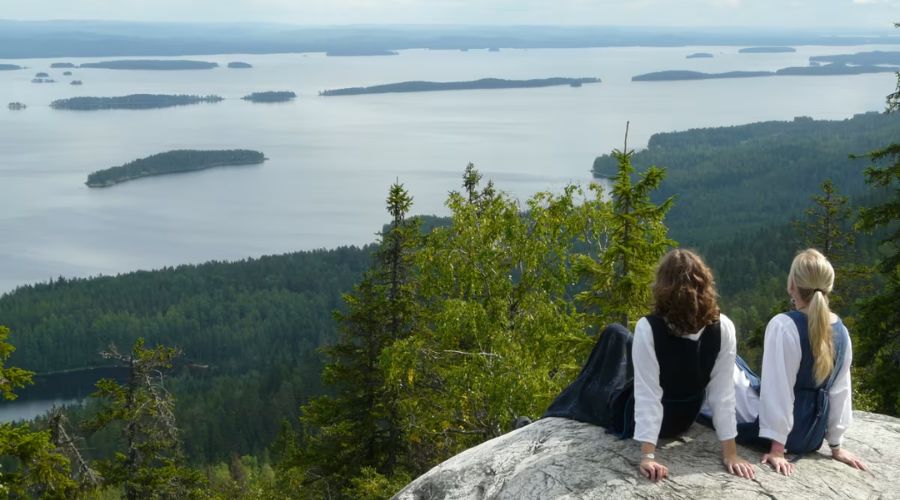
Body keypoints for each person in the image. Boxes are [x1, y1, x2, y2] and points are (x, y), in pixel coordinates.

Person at [544, 249, 754, 481]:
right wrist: (731, 454)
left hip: (652, 423)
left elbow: (648, 396)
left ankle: (554, 410)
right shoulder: (723, 327)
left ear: (663, 287)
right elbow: (722, 395)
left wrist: (648, 456)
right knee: (620, 339)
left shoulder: (649, 328)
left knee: (612, 340)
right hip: (686, 417)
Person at [725, 248, 867, 475]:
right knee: (741, 373)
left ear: (792, 285)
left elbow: (778, 390)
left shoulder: (784, 325)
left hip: (784, 436)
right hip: (812, 436)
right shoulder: (842, 331)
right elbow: (841, 391)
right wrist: (836, 445)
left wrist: (777, 448)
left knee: (726, 365)